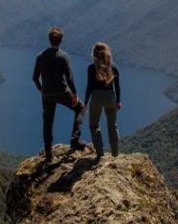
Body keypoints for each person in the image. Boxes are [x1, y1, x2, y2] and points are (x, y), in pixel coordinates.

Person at [32, 26, 85, 163]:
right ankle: (75, 140)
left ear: (49, 39)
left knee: (48, 123)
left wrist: (41, 90)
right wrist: (74, 95)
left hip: (47, 94)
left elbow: (34, 78)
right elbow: (70, 79)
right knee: (81, 108)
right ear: (61, 40)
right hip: (62, 92)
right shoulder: (64, 56)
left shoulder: (40, 56)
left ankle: (49, 155)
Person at [84, 42, 121, 160]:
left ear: (94, 54)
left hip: (96, 97)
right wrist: (118, 101)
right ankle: (115, 154)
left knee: (94, 125)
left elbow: (89, 86)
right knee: (113, 126)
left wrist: (85, 103)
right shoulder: (113, 67)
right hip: (110, 97)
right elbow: (117, 87)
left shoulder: (91, 68)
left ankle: (100, 153)